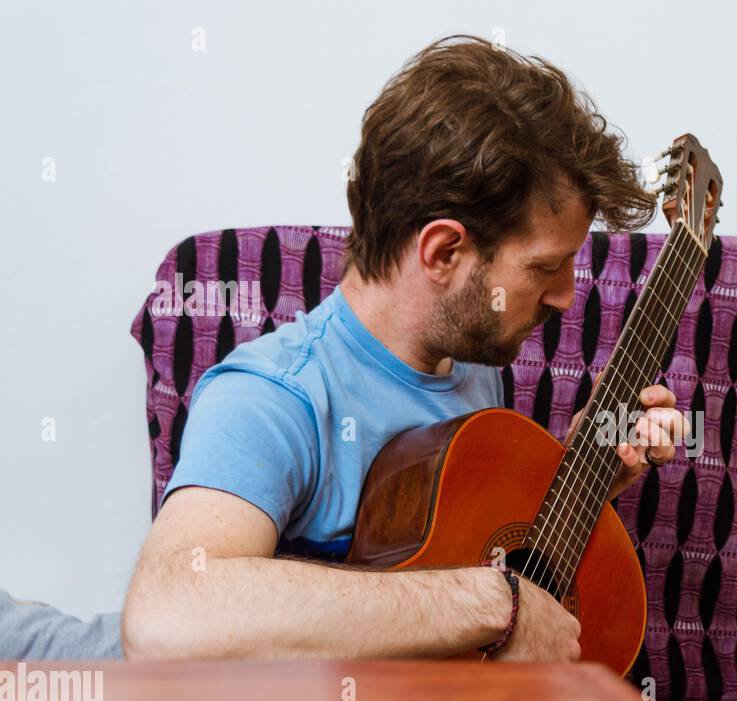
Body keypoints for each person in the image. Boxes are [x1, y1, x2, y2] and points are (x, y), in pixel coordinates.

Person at [122, 36, 688, 662]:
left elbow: (468, 538)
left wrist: (587, 477)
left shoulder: (472, 359)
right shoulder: (275, 396)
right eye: (544, 267)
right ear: (444, 252)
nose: (564, 296)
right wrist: (493, 603)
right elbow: (165, 614)